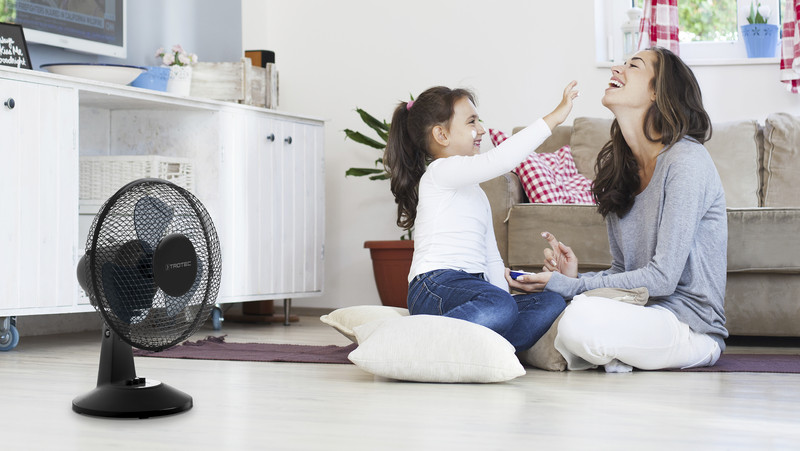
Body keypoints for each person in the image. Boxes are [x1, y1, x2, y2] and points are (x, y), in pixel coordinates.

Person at [506, 47, 728, 372]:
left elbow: (663, 280)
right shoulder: (619, 172)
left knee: (578, 318)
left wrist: (574, 289)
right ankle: (604, 352)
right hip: (636, 311)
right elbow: (622, 272)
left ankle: (588, 349)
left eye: (632, 65)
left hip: (688, 325)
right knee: (530, 308)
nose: (616, 68)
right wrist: (572, 277)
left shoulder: (686, 161)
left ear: (657, 91)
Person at [384, 81, 578, 352]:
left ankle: (484, 349)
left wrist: (504, 297)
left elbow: (491, 257)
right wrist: (556, 116)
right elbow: (500, 161)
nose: (482, 129)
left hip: (472, 289)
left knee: (550, 302)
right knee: (500, 306)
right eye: (472, 121)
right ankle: (415, 345)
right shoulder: (440, 172)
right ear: (441, 135)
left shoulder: (476, 193)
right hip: (435, 287)